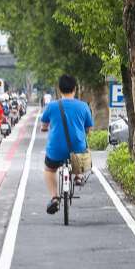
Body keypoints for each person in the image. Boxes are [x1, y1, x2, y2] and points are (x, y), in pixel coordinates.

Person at [41, 74, 93, 215]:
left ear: (59, 89)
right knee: (82, 152)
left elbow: (44, 125)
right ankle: (78, 176)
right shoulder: (83, 106)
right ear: (75, 89)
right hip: (77, 149)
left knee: (49, 169)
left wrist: (45, 128)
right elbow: (88, 129)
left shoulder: (51, 106)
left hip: (56, 150)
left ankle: (54, 198)